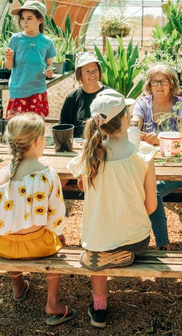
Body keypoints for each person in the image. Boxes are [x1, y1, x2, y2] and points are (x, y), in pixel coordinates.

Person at [68, 89, 157, 329]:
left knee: (98, 241)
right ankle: (122, 255)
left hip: (100, 240)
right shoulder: (143, 154)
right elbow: (151, 206)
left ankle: (99, 309)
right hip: (136, 240)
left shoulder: (90, 155)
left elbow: (84, 188)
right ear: (126, 118)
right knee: (115, 240)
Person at [0, 112, 77, 326]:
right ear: (37, 141)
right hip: (38, 247)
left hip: (4, 246)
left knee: (10, 233)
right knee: (55, 243)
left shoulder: (2, 175)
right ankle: (52, 303)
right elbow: (55, 217)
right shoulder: (47, 174)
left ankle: (18, 287)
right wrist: (59, 235)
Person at [132, 63, 182, 250]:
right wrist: (137, 133)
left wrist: (160, 139)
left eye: (164, 81)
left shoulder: (179, 105)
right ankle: (131, 239)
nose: (159, 85)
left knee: (153, 190)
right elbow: (134, 127)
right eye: (155, 81)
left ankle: (162, 244)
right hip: (149, 166)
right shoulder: (143, 104)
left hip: (176, 166)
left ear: (172, 84)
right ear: (149, 84)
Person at [5, 1, 56, 119]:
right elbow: (9, 66)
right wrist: (9, 58)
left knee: (36, 126)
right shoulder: (15, 39)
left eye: (29, 18)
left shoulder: (47, 42)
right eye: (22, 18)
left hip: (38, 90)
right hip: (18, 90)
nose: (25, 22)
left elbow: (49, 64)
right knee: (18, 127)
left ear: (40, 20)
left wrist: (49, 70)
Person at [60, 52, 107, 137]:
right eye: (87, 71)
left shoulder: (109, 96)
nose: (92, 74)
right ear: (79, 75)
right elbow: (63, 130)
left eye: (95, 69)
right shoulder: (71, 99)